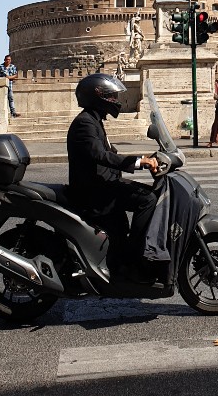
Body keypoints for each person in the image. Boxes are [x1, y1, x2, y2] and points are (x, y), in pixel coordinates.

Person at [67, 73, 158, 279]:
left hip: (105, 184)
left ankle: (123, 257)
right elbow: (100, 155)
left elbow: (111, 153)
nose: (115, 100)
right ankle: (136, 254)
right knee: (148, 200)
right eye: (111, 96)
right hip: (94, 191)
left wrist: (146, 158)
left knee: (144, 198)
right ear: (97, 97)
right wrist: (138, 162)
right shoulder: (85, 123)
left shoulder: (94, 120)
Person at [0, 53, 19, 118]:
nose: (8, 61)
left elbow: (16, 75)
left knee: (11, 99)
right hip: (1, 86)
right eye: (7, 59)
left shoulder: (12, 67)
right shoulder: (0, 67)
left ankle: (13, 113)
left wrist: (9, 77)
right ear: (4, 60)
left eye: (9, 60)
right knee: (1, 99)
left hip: (9, 86)